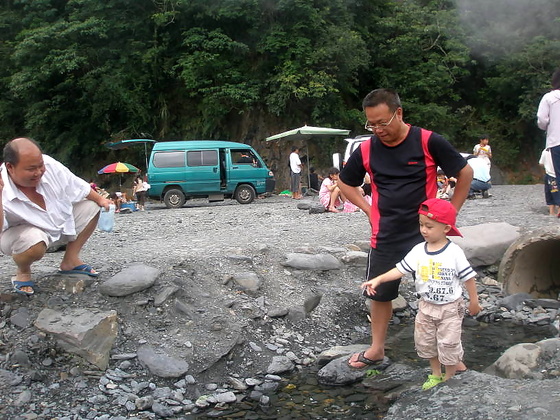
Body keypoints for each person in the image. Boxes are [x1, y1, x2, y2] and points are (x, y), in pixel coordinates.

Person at [337, 88, 473, 370]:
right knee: (380, 292)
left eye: (382, 123)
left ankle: (451, 359)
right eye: (370, 124)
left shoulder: (427, 140)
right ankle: (376, 349)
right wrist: (368, 209)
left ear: (398, 113)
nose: (377, 130)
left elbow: (465, 173)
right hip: (385, 231)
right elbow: (345, 182)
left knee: (440, 293)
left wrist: (450, 215)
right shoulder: (366, 149)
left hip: (425, 231)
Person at [361, 198, 481, 390]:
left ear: (446, 228)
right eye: (421, 225)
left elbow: (468, 277)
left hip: (450, 307)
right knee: (426, 342)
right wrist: (379, 279)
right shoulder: (418, 251)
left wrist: (474, 301)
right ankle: (435, 373)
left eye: (429, 226)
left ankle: (449, 376)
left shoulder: (454, 252)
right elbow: (399, 269)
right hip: (425, 306)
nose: (423, 230)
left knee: (449, 343)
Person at [0, 137, 112, 295]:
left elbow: (78, 186)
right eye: (31, 169)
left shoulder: (50, 165)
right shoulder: (3, 188)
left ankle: (70, 260)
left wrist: (101, 200)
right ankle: (23, 272)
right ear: (10, 167)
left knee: (92, 206)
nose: (38, 172)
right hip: (20, 237)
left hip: (57, 224)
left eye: (40, 166)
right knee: (33, 239)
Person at [537, 67, 560, 182]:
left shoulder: (549, 97)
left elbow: (542, 119)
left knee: (558, 173)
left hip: (556, 141)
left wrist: (546, 127)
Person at [539, 148, 560, 216]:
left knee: (549, 193)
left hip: (549, 175)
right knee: (556, 192)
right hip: (556, 175)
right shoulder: (557, 149)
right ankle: (557, 211)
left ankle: (552, 212)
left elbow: (541, 163)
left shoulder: (545, 150)